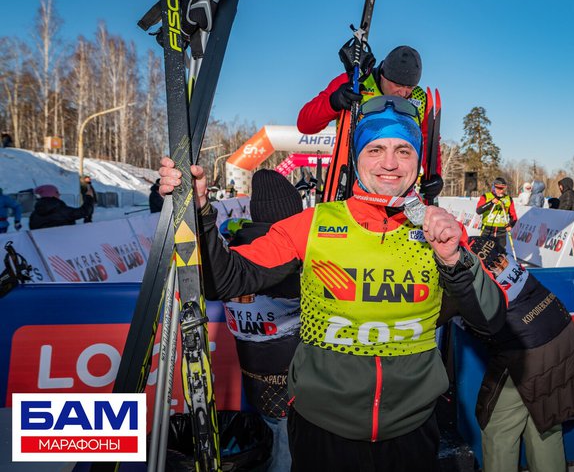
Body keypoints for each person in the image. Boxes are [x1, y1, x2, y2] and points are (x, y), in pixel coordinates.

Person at [159, 96, 506, 472]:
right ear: (357, 158)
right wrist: (199, 213)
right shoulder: (313, 224)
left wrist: (454, 259)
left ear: (418, 161)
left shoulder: (440, 230)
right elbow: (223, 279)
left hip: (411, 431)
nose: (390, 163)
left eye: (403, 150)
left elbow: (490, 320)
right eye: (375, 149)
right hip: (322, 431)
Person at [461, 236, 574, 472]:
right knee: (545, 420)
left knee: (499, 426)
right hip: (558, 324)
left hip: (527, 346)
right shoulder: (480, 242)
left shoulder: (460, 258)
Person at [219, 169, 303, 472]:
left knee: (274, 437)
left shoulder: (234, 254)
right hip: (291, 379)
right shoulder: (288, 260)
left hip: (254, 375)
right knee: (286, 446)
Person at [297, 45, 442, 200]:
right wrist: (333, 102)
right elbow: (305, 124)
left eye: (410, 87)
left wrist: (434, 175)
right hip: (348, 179)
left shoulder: (420, 99)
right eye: (398, 85)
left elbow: (427, 141)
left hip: (395, 182)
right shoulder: (354, 82)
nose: (403, 93)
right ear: (383, 75)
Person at [476, 177, 518, 252]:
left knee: (499, 254)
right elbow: (479, 210)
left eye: (503, 188)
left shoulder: (508, 199)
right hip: (487, 230)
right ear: (493, 187)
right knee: (483, 253)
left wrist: (510, 225)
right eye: (498, 188)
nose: (501, 191)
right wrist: (491, 202)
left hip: (501, 232)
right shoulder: (486, 196)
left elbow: (514, 217)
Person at [29, 185, 93, 230]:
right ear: (51, 194)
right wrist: (89, 197)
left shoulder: (34, 214)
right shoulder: (60, 210)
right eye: (57, 192)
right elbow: (84, 211)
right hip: (64, 242)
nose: (59, 194)